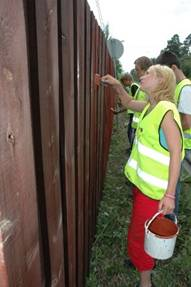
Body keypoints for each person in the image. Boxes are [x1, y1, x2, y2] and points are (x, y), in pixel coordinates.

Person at [101, 64, 184, 287]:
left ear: (161, 82)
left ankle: (145, 282)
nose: (143, 76)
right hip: (143, 186)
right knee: (140, 232)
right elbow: (128, 103)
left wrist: (169, 196)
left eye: (149, 74)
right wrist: (118, 85)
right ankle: (143, 265)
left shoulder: (166, 110)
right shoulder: (151, 106)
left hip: (155, 193)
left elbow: (177, 153)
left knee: (140, 235)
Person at [156, 51, 191, 214]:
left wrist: (169, 131)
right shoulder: (179, 88)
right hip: (183, 143)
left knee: (174, 183)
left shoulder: (185, 88)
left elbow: (187, 121)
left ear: (174, 68)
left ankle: (170, 219)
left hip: (187, 145)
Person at [111, 72, 139, 150]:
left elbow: (133, 103)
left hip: (135, 115)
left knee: (131, 133)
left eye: (124, 82)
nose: (124, 84)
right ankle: (131, 148)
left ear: (128, 80)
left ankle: (132, 149)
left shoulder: (134, 87)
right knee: (130, 132)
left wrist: (120, 110)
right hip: (133, 114)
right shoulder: (132, 87)